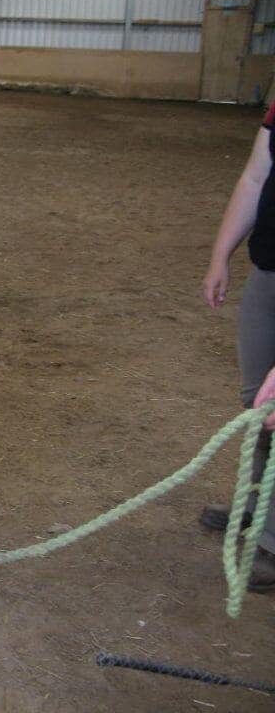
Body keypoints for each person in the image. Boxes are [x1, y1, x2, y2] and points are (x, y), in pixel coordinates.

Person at [200, 101, 275, 592]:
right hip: (270, 274)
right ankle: (255, 501)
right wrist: (221, 254)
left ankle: (272, 540)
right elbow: (255, 177)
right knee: (258, 403)